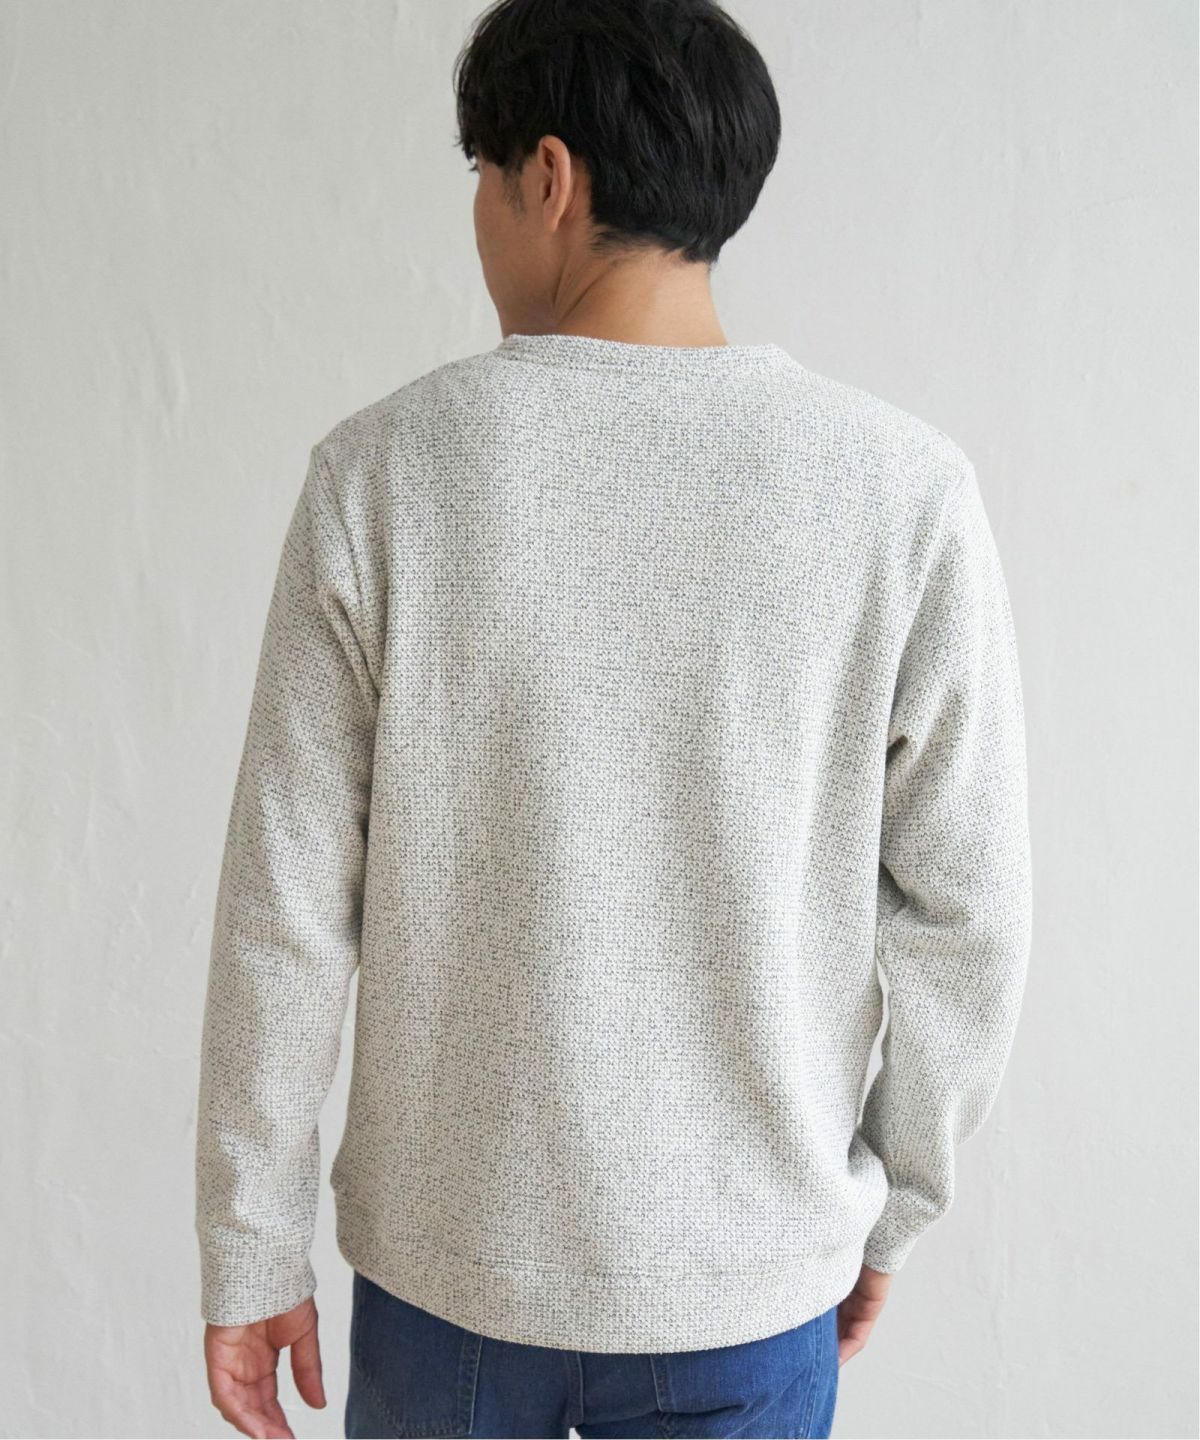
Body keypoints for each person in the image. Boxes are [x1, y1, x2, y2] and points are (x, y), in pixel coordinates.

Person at [194, 1, 1033, 1436]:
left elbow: (287, 908)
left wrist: (253, 1243)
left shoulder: (383, 477)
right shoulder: (900, 493)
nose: (479, 218)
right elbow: (970, 916)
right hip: (751, 1278)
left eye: (482, 174)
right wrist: (892, 1205)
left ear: (548, 178)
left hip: (451, 1280)